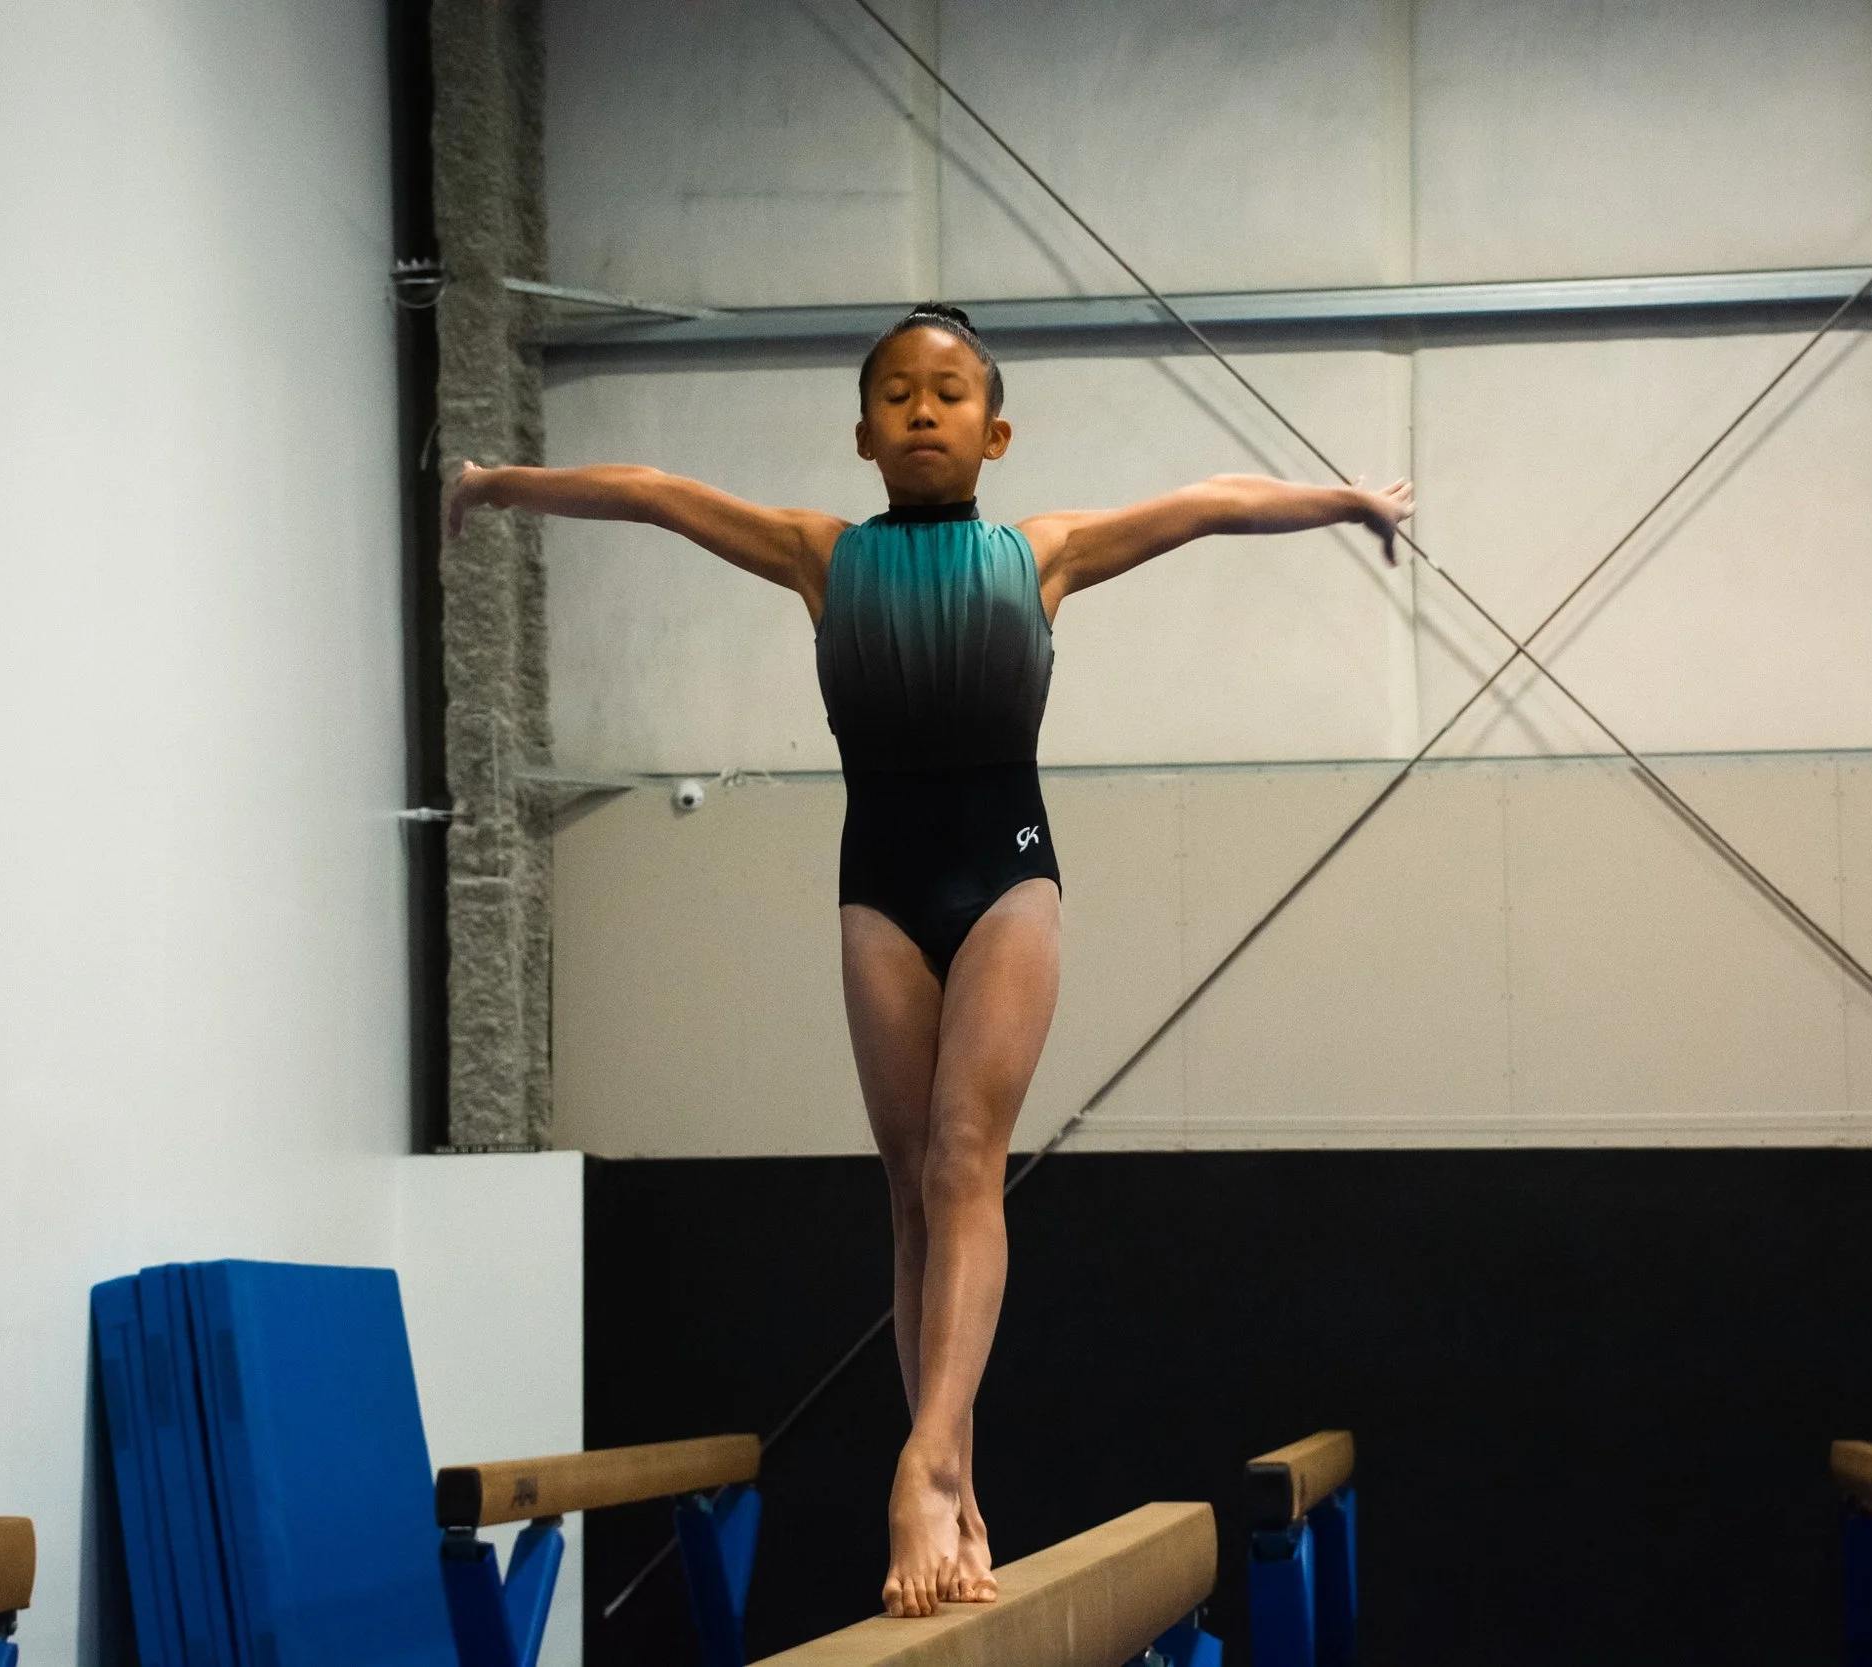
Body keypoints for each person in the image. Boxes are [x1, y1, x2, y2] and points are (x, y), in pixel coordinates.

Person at [447, 302, 1413, 1618]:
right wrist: (500, 483)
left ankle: (928, 1462)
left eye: (949, 392)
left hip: (1006, 876)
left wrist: (1345, 500)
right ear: (862, 432)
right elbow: (658, 494)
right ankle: (952, 1472)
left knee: (965, 1159)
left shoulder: (1042, 551)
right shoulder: (821, 555)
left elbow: (1204, 504)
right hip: (882, 894)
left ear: (994, 432)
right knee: (910, 1191)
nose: (921, 408)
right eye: (896, 392)